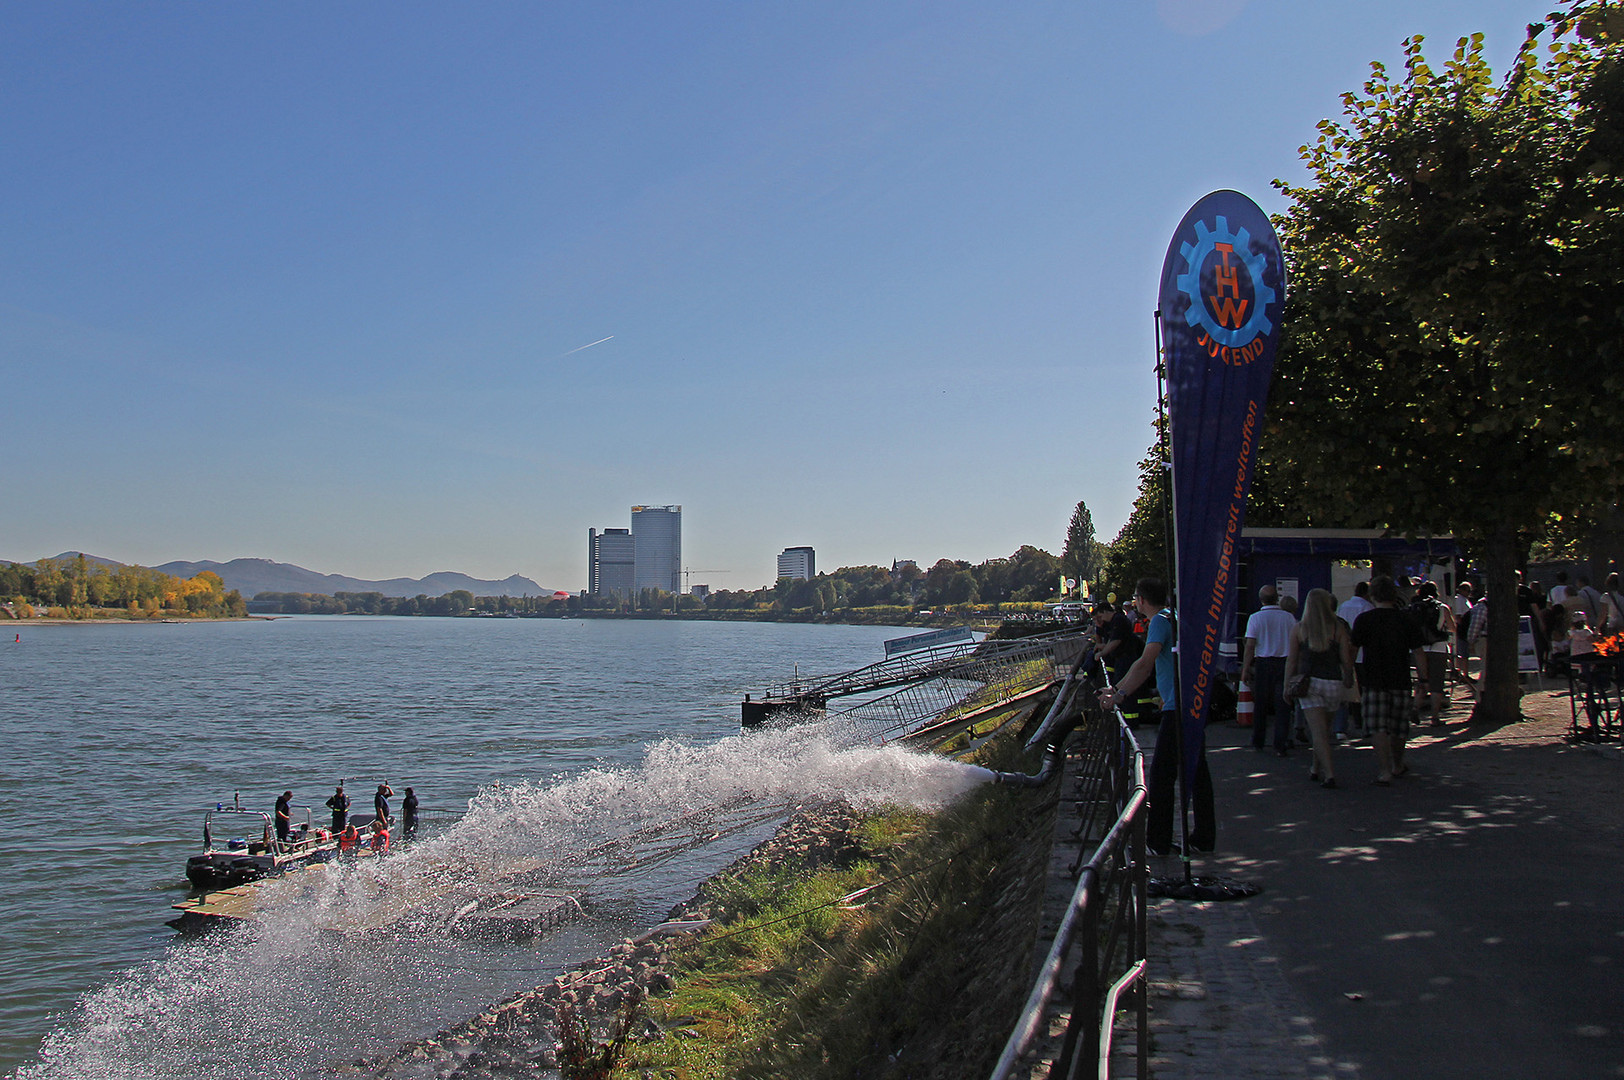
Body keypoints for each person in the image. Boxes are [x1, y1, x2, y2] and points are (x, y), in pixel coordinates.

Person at [1097, 577, 1214, 857]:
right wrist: (1117, 688)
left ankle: (1158, 842)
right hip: (1191, 703)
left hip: (1177, 707)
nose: (1135, 603)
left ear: (1142, 600)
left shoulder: (1160, 622)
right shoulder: (1172, 616)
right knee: (1198, 775)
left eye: (1136, 598)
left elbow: (1145, 663)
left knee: (1161, 776)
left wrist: (1119, 694)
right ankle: (1203, 838)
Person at [1351, 576, 1428, 785]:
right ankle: (1397, 762)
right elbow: (1419, 652)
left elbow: (1353, 649)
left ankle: (1384, 769)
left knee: (1378, 727)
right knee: (1398, 726)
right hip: (1400, 677)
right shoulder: (1406, 619)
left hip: (1373, 678)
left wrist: (1348, 673)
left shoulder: (1364, 620)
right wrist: (1424, 678)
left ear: (1372, 595)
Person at [1285, 589, 1356, 788]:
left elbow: (1292, 661)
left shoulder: (1300, 629)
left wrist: (1286, 686)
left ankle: (1329, 774)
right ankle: (1315, 768)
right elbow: (1346, 659)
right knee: (1323, 729)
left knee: (1318, 732)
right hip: (1333, 683)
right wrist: (1349, 678)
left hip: (1309, 684)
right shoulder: (1337, 628)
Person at [1241, 585, 1297, 756]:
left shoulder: (1255, 618)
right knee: (1283, 705)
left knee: (1261, 705)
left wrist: (1245, 668)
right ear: (1277, 599)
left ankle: (1258, 739)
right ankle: (1280, 743)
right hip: (1284, 662)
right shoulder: (1289, 618)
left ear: (1261, 599)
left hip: (1263, 662)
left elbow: (1250, 645)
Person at [1407, 582, 1454, 727]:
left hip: (1419, 648)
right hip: (1438, 648)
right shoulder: (1442, 607)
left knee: (1422, 680)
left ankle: (1415, 707)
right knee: (1437, 684)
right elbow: (1452, 628)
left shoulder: (1415, 607)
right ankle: (1435, 717)